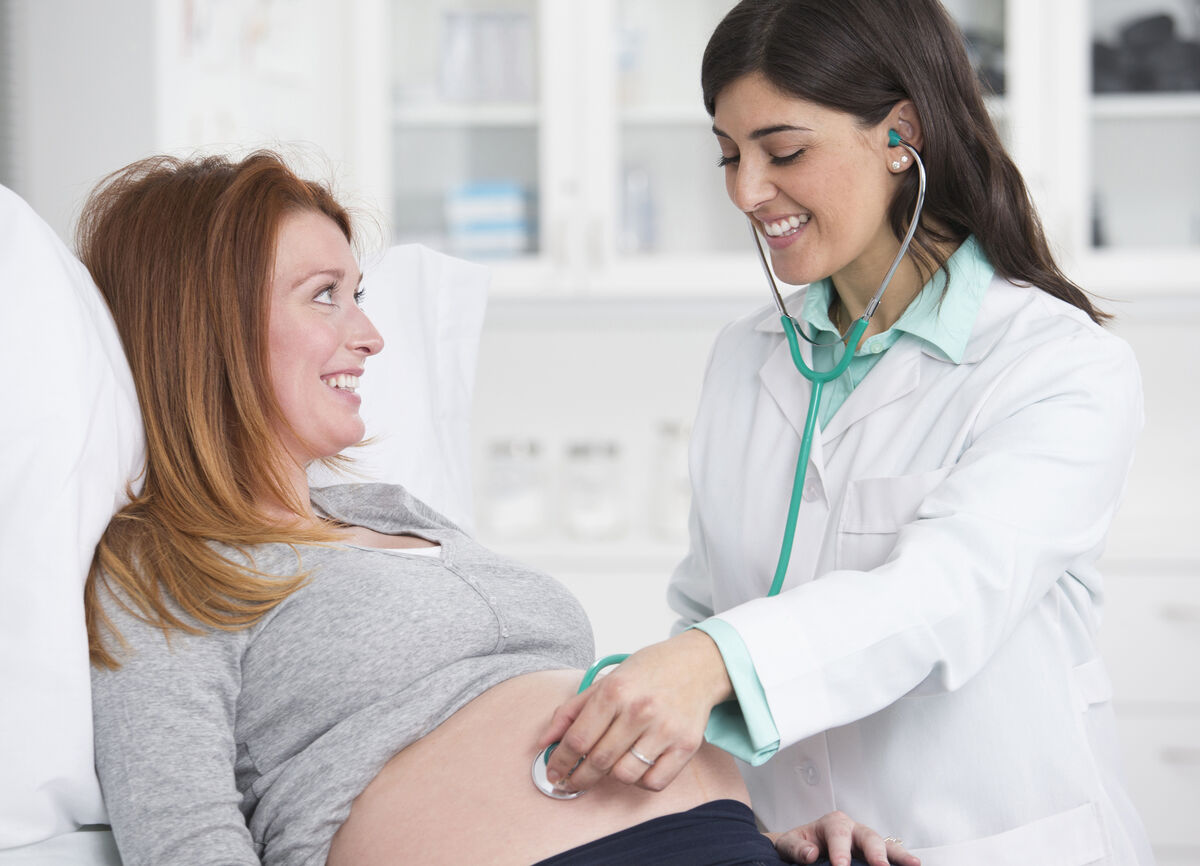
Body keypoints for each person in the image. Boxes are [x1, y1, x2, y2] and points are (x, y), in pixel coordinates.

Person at [79, 151, 917, 866]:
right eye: (324, 295)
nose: (369, 334)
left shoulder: (397, 512)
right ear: (208, 327)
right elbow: (183, 832)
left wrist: (762, 838)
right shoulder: (168, 561)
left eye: (359, 293)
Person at [537, 0, 1153, 862]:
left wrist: (713, 660)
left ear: (900, 137)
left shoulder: (1058, 364)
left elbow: (943, 595)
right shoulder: (745, 357)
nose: (747, 191)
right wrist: (730, 794)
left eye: (784, 151)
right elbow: (707, 608)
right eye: (728, 153)